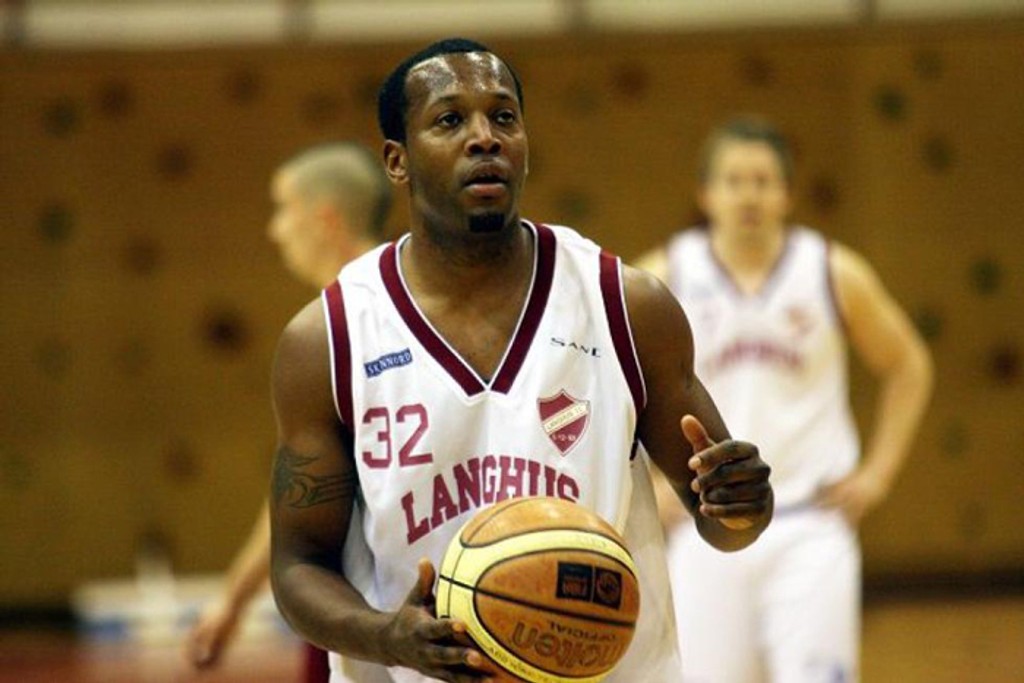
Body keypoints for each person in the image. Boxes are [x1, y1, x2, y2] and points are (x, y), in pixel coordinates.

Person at [268, 38, 774, 683]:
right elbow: (298, 564)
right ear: (398, 160)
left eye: (503, 117)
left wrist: (743, 501)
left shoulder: (625, 306)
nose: (484, 137)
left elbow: (727, 526)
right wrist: (388, 637)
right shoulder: (329, 340)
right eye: (450, 120)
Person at [635, 117, 934, 682]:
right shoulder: (661, 277)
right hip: (707, 528)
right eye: (734, 181)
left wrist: (879, 474)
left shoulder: (832, 272)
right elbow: (620, 386)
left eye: (763, 181)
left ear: (787, 194)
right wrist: (650, 482)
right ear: (706, 193)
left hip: (811, 527)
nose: (749, 195)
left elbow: (908, 366)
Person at [185, 142, 393, 679]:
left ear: (325, 218)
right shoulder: (389, 304)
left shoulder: (338, 330)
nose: (275, 230)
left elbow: (301, 492)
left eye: (283, 209)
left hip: (361, 603)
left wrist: (233, 600)